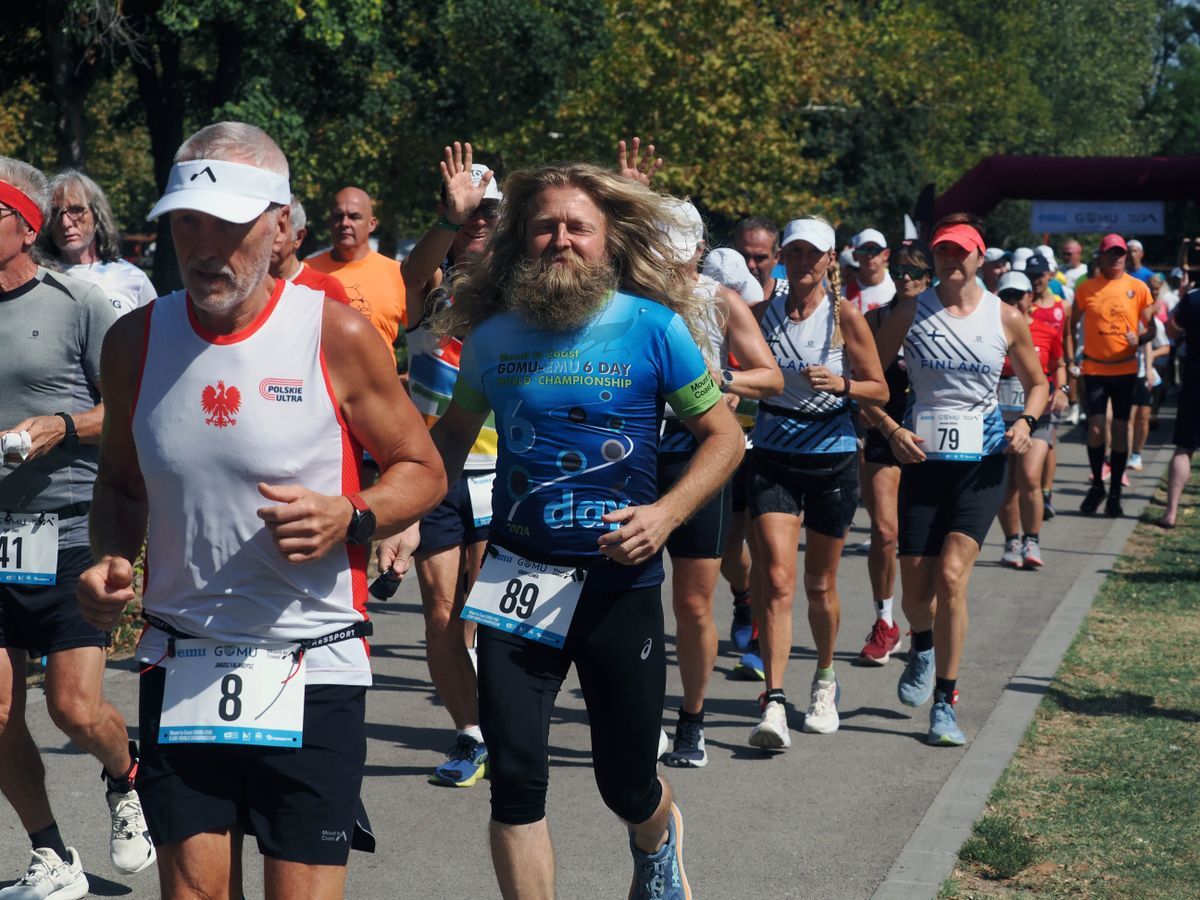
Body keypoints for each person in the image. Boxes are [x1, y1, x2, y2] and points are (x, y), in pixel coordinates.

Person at [75, 122, 445, 900]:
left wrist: (352, 514)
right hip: (184, 658)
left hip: (313, 658)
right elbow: (119, 485)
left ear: (279, 226)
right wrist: (108, 557)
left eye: (230, 226)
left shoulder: (333, 331)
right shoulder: (134, 341)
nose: (206, 247)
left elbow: (422, 470)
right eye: (187, 223)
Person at [378, 161, 745, 900]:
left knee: (626, 782)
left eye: (579, 226)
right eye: (546, 226)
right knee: (513, 779)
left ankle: (657, 836)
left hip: (619, 584)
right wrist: (406, 513)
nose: (562, 240)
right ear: (521, 238)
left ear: (608, 240)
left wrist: (666, 514)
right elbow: (450, 439)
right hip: (519, 578)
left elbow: (725, 439)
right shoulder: (492, 338)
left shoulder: (654, 328)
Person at [0, 157, 153, 900]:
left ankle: (127, 779)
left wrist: (62, 425)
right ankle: (51, 855)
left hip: (66, 531)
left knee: (72, 707)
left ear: (24, 225)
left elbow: (132, 411)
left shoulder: (80, 302)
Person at [870, 214, 1047, 746]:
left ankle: (945, 701)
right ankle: (921, 644)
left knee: (951, 577)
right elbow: (870, 386)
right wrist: (891, 428)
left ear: (979, 257)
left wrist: (1024, 423)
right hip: (923, 464)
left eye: (960, 253)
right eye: (942, 252)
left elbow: (1039, 384)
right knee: (916, 597)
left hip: (982, 463)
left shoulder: (1005, 317)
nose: (951, 261)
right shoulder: (908, 313)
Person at [380, 142, 502, 788]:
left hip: (503, 472)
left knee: (484, 612)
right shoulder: (432, 282)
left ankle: (497, 709)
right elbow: (412, 270)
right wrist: (450, 218)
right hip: (438, 468)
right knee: (441, 612)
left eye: (490, 213)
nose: (480, 221)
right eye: (470, 213)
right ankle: (472, 732)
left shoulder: (523, 289)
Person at [745, 216, 888, 747]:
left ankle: (825, 677)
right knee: (777, 579)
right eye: (795, 253)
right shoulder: (762, 315)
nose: (803, 263)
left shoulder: (845, 316)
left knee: (819, 584)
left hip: (831, 459)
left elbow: (880, 391)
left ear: (831, 260)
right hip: (774, 457)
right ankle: (774, 701)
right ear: (784, 255)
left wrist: (843, 384)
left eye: (813, 254)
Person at [655, 200, 782, 768]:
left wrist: (723, 378)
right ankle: (640, 715)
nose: (675, 262)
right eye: (665, 248)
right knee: (625, 600)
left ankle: (692, 719)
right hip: (634, 455)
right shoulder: (631, 295)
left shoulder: (720, 299)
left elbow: (771, 377)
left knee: (691, 602)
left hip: (698, 456)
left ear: (700, 250)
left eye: (683, 251)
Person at [858, 240, 932, 664]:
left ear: (930, 276)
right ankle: (885, 621)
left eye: (915, 271)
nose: (905, 276)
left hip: (934, 437)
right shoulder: (877, 318)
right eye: (900, 269)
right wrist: (877, 420)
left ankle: (924, 618)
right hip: (887, 432)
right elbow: (861, 380)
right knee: (886, 532)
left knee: (924, 540)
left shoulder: (947, 321)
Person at [1068, 233, 1156, 517]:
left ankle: (1115, 491)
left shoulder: (1138, 287)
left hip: (1125, 369)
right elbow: (1071, 327)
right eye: (1112, 252)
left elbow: (1152, 328)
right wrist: (1072, 360)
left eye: (1121, 252)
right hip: (1093, 368)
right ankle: (1098, 485)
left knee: (1119, 431)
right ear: (1102, 256)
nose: (1117, 257)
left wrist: (1139, 340)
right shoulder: (1086, 288)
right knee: (1095, 429)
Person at [994, 271, 1067, 570]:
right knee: (1005, 484)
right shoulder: (989, 330)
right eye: (1006, 296)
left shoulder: (1047, 330)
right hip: (1000, 415)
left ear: (1029, 297)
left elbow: (1058, 363)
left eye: (1018, 296)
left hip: (1038, 413)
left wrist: (1062, 390)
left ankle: (1032, 538)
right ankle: (1012, 540)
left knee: (1028, 476)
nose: (1013, 302)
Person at [43, 169, 156, 314]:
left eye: (76, 210)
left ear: (97, 214)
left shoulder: (133, 279)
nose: (65, 223)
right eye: (55, 213)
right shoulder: (37, 278)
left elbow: (155, 333)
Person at [306, 186, 408, 347]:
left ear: (372, 224)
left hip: (379, 372)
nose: (344, 223)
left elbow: (426, 336)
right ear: (329, 222)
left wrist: (409, 372)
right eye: (338, 216)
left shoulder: (397, 273)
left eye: (354, 217)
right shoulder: (306, 271)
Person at [1158, 280, 1200, 528]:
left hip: (1195, 379)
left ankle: (1171, 512)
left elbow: (1172, 331)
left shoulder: (1192, 298)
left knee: (1184, 447)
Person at [269, 195, 349, 302]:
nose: (267, 238)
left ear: (298, 237)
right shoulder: (247, 288)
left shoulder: (326, 289)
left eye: (279, 228)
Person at [846, 228, 896, 313]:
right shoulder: (844, 294)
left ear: (886, 254)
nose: (869, 255)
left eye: (875, 250)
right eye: (863, 250)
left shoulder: (898, 287)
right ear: (855, 255)